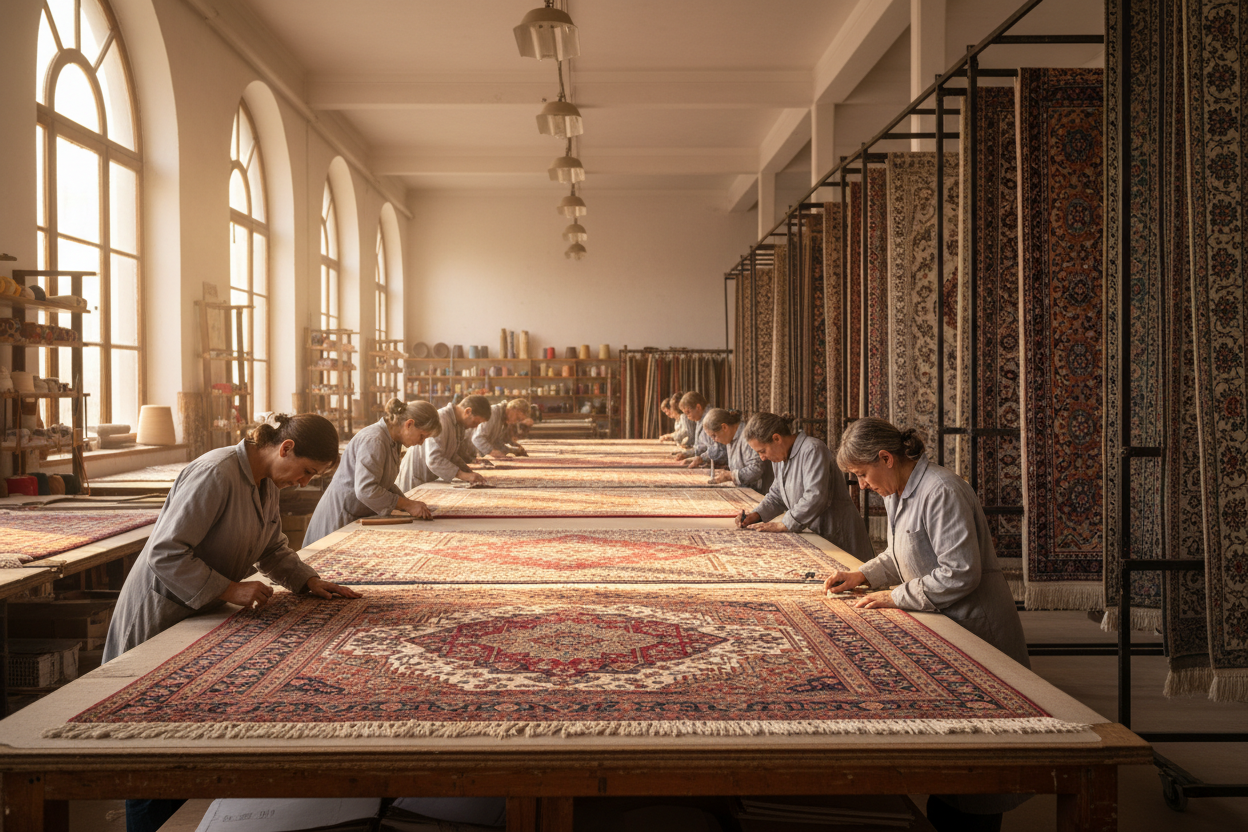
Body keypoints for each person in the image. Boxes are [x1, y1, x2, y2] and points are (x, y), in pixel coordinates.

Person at [102, 413, 362, 832]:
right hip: (159, 614)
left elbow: (272, 547)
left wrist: (308, 580)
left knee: (184, 745)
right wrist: (230, 590)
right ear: (286, 448)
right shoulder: (215, 473)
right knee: (150, 748)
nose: (305, 482)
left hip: (197, 615)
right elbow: (166, 554)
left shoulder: (264, 483)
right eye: (307, 472)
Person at [823, 416, 1030, 832]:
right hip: (946, 618)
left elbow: (960, 572)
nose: (862, 485)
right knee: (956, 751)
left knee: (982, 750)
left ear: (886, 457)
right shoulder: (898, 490)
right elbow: (902, 552)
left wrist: (895, 596)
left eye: (862, 474)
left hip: (976, 624)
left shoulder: (941, 491)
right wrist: (863, 575)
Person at [736, 412, 874, 561]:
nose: (762, 458)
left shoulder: (812, 449)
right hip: (815, 534)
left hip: (836, 534)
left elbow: (816, 496)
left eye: (762, 451)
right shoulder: (779, 459)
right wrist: (756, 515)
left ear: (777, 438)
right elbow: (777, 495)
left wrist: (785, 524)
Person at [303, 399, 442, 546]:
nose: (421, 443)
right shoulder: (375, 440)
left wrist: (409, 504)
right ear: (409, 424)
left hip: (354, 512)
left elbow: (384, 483)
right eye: (422, 436)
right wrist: (406, 505)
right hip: (340, 516)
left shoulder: (392, 441)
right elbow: (366, 490)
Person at [396, 395, 491, 490]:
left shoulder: (458, 424)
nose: (475, 427)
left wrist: (468, 472)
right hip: (415, 479)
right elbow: (434, 459)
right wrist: (462, 475)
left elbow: (451, 455)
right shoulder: (442, 419)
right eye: (475, 423)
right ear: (468, 412)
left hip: (428, 479)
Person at [701, 408, 768, 491]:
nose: (714, 440)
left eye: (714, 436)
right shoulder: (729, 438)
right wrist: (701, 458)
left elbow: (756, 469)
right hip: (744, 490)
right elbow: (718, 452)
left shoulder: (747, 436)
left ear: (724, 427)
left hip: (758, 492)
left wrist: (731, 476)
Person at [675, 391, 728, 467]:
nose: (687, 417)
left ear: (698, 407)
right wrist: (687, 454)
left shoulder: (712, 418)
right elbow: (702, 447)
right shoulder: (700, 419)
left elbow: (720, 449)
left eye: (688, 412)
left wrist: (702, 458)